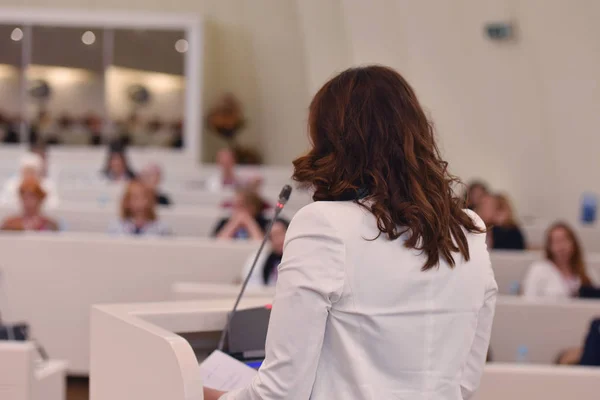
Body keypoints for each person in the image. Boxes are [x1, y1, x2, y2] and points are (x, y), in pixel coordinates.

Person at [204, 66, 497, 400]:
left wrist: (196, 394)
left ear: (332, 141)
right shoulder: (470, 231)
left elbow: (280, 394)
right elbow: (465, 385)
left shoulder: (323, 225)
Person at [522, 222, 595, 299]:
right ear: (549, 247)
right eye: (556, 242)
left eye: (565, 240)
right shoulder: (538, 270)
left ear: (573, 244)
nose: (561, 246)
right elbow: (529, 300)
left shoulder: (587, 272)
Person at [240, 219, 289, 287]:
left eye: (280, 234)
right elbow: (252, 287)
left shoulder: (299, 259)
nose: (277, 240)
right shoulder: (259, 260)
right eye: (272, 236)